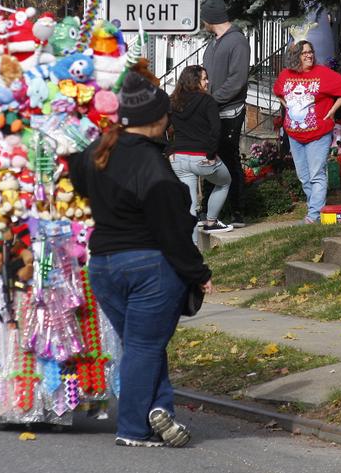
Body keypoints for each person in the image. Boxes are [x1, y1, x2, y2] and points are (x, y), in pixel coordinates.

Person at [68, 72, 212, 448]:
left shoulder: (99, 151)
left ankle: (158, 410)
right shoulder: (153, 168)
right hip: (149, 266)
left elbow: (74, 174)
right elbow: (171, 231)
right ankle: (133, 428)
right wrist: (198, 272)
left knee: (140, 344)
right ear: (157, 120)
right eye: (166, 115)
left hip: (102, 265)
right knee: (144, 346)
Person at [274, 40, 341, 223]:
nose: (309, 55)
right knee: (304, 177)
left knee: (316, 174)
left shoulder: (322, 74)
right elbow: (277, 91)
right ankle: (315, 211)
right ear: (296, 56)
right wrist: (289, 108)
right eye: (304, 53)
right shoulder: (286, 75)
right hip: (294, 135)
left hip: (318, 134)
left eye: (310, 52)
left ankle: (313, 215)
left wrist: (333, 110)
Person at [200, 0, 250, 228]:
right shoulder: (213, 42)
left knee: (229, 159)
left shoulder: (237, 41)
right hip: (211, 111)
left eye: (204, 18)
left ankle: (238, 212)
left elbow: (237, 80)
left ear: (211, 18)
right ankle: (210, 212)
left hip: (230, 111)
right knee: (210, 158)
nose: (202, 22)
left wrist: (212, 100)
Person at [168, 65, 232, 235]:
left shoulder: (173, 101)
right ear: (195, 81)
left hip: (179, 158)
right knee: (225, 182)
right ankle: (211, 221)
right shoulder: (207, 100)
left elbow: (162, 128)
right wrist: (211, 155)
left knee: (190, 204)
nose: (208, 81)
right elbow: (216, 130)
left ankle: (192, 249)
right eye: (204, 78)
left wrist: (169, 151)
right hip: (201, 157)